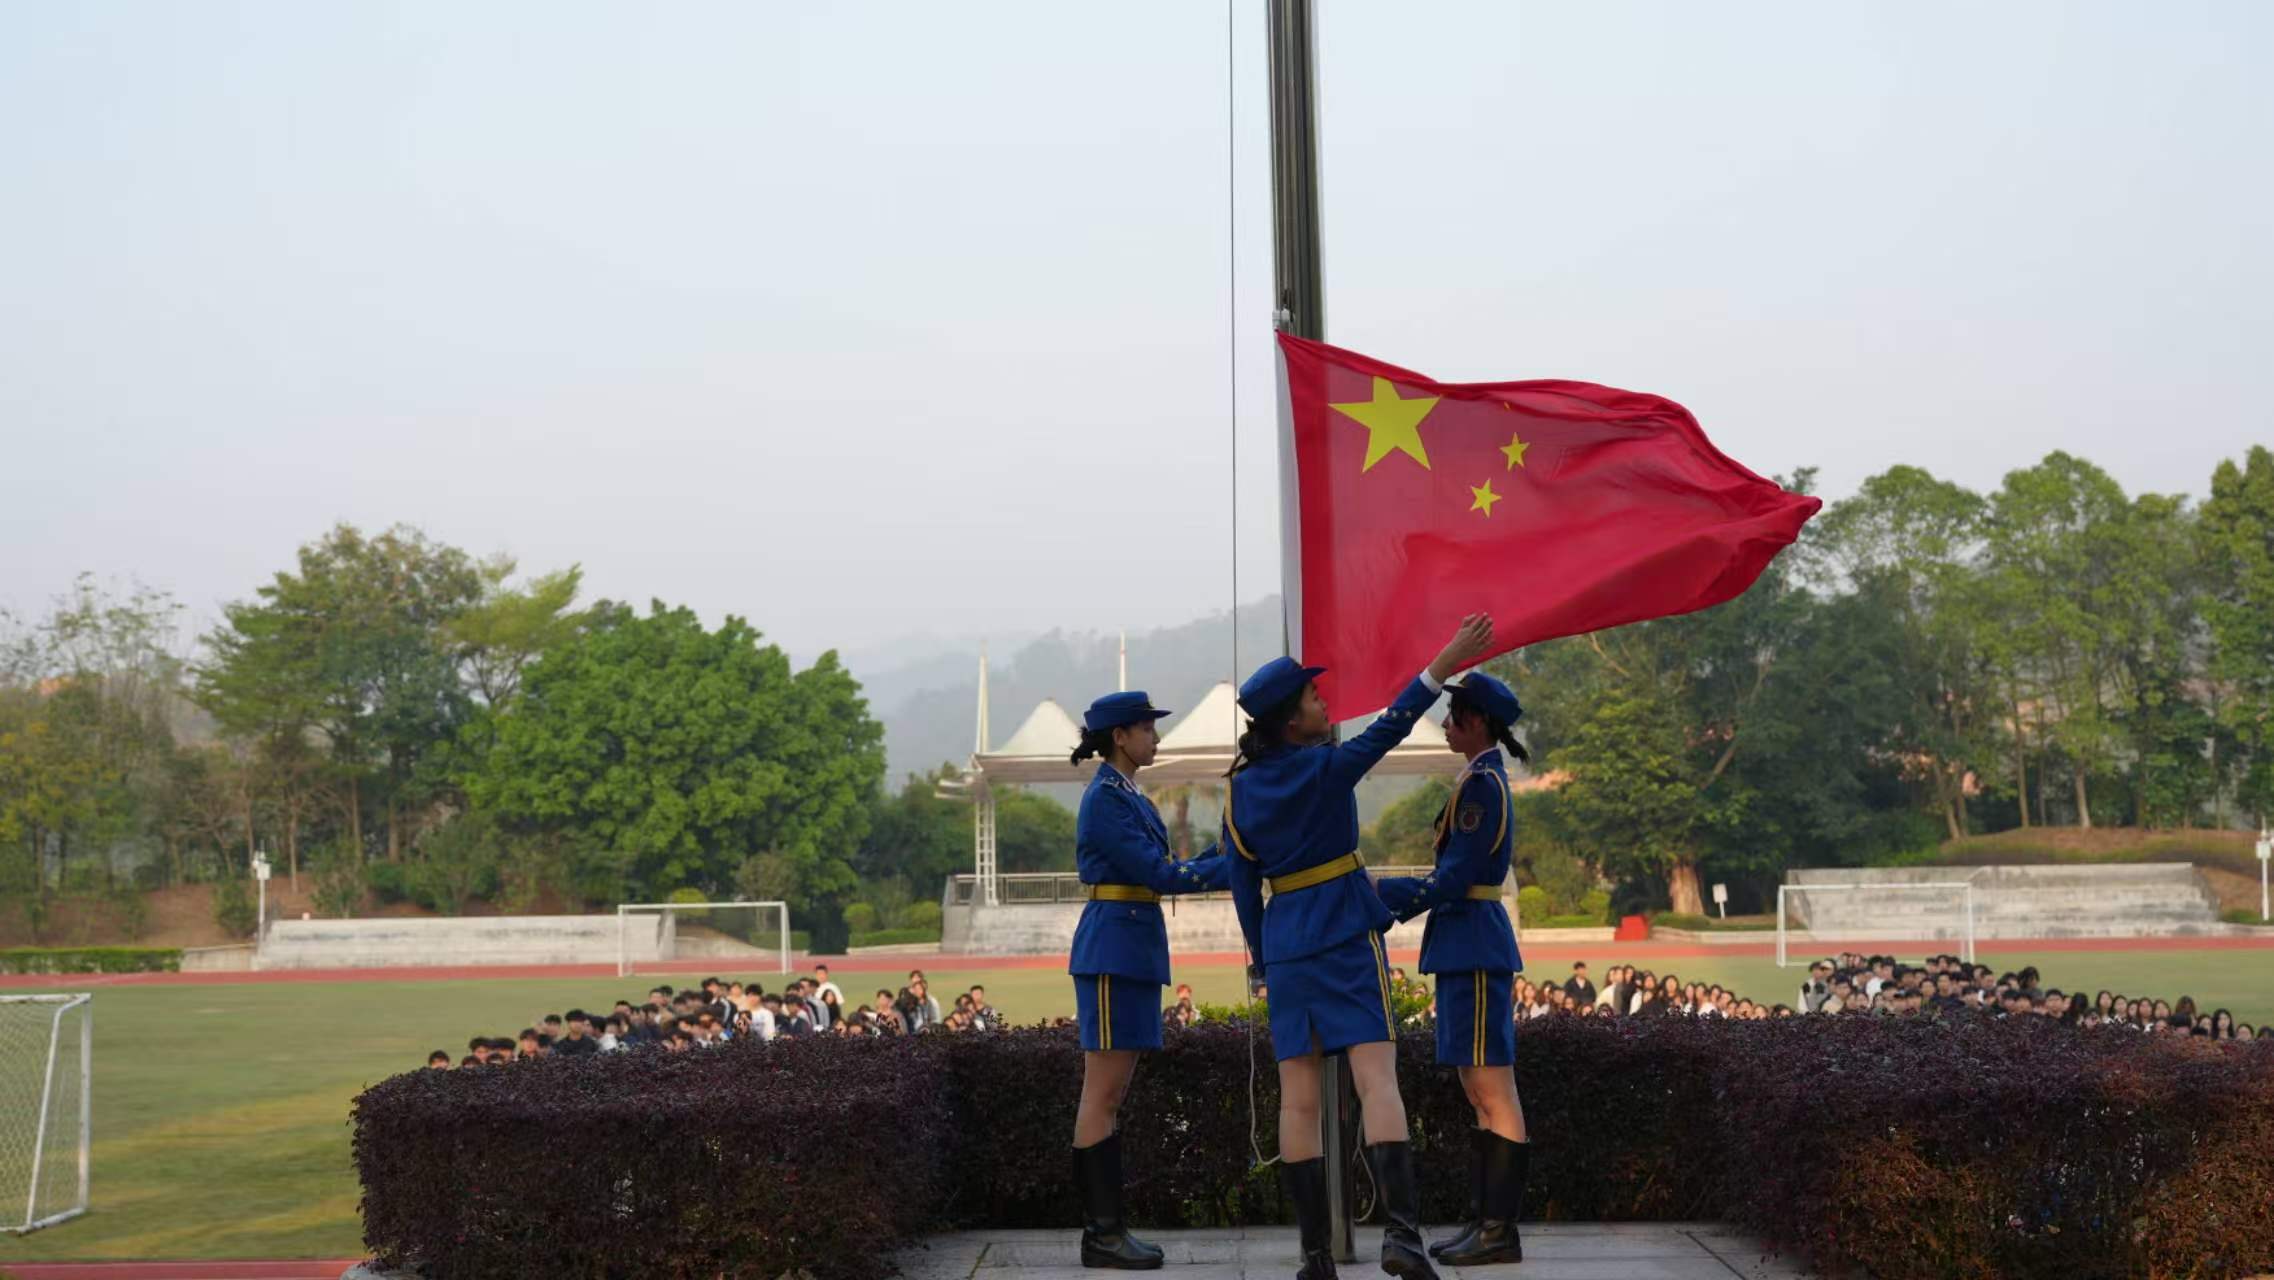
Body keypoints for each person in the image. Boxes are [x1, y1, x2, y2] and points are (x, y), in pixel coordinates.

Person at [1224, 614, 1495, 1280]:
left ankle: (1316, 1257)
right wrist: (1442, 662)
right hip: (1345, 930)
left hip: (1286, 945)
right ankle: (1401, 1238)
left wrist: (1263, 958)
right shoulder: (1324, 768)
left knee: (1297, 1101)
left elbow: (1243, 889)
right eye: (1315, 698)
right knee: (1377, 1082)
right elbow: (1392, 724)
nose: (1325, 705)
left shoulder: (1239, 792)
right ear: (1292, 721)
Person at [1066, 688, 1229, 1270]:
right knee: (1102, 1094)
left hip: (1129, 947)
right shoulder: (1106, 800)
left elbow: (1165, 868)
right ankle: (1102, 1234)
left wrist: (1225, 849)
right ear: (1120, 737)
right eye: (1147, 729)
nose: (1155, 738)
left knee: (1112, 1095)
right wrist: (1230, 865)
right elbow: (1158, 874)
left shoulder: (1127, 794)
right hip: (1113, 949)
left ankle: (1109, 1231)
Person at [1375, 670, 1531, 1268]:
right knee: (1477, 1088)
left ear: (1479, 722)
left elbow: (1457, 875)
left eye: (1455, 714)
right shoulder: (1477, 778)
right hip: (1465, 941)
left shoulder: (1483, 785)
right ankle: (1484, 1222)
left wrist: (1387, 895)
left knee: (1493, 1088)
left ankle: (1498, 1230)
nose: (1446, 724)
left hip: (1475, 943)